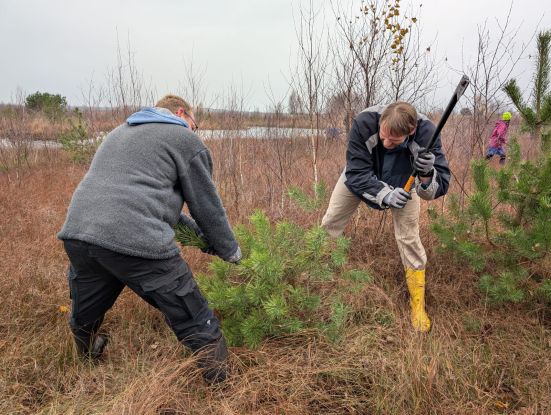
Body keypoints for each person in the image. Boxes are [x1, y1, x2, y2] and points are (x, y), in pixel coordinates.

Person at [58, 94, 241, 384]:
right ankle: (225, 387)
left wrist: (205, 242)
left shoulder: (119, 133)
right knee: (194, 316)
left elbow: (153, 209)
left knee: (85, 312)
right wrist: (230, 250)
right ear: (181, 113)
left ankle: (86, 356)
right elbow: (207, 207)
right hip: (135, 239)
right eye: (195, 124)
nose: (195, 131)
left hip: (79, 234)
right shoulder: (183, 138)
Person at [321, 102, 450, 332]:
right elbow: (356, 172)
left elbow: (437, 188)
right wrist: (385, 194)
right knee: (330, 223)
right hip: (359, 177)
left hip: (405, 186)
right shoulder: (363, 122)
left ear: (410, 132)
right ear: (381, 122)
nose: (385, 143)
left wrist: (427, 174)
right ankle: (320, 279)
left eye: (394, 141)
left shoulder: (427, 134)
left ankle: (417, 306)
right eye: (383, 136)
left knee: (409, 239)